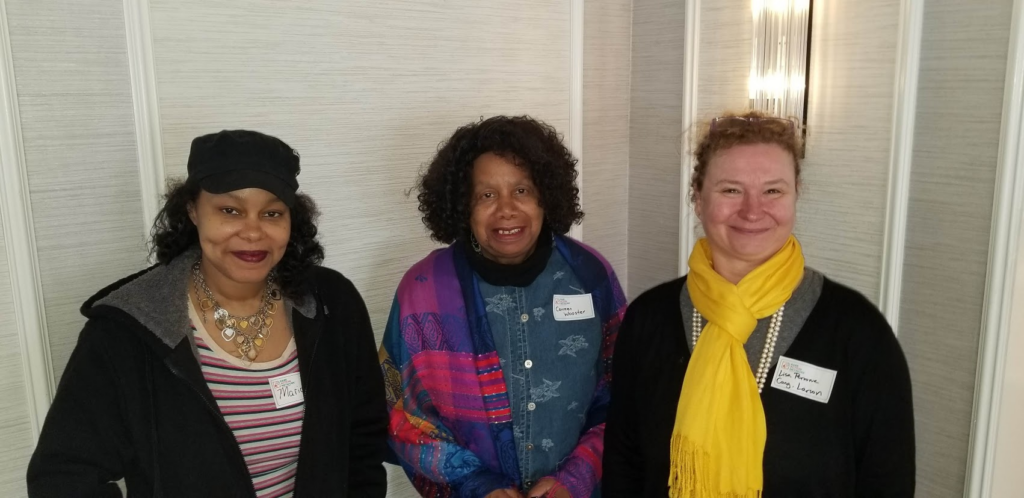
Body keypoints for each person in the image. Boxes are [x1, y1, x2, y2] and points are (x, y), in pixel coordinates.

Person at [27, 130, 388, 497]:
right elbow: (63, 476)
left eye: (272, 213)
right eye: (230, 210)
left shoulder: (333, 303)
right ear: (192, 210)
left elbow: (363, 443)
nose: (252, 232)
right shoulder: (128, 330)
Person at [602, 112, 915, 497]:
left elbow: (888, 481)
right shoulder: (649, 318)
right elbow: (623, 463)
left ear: (796, 193)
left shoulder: (858, 332)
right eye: (731, 190)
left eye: (773, 191)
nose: (752, 211)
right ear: (698, 199)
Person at [379, 116, 627, 498]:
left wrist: (576, 478)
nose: (506, 210)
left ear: (546, 195)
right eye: (487, 195)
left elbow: (624, 396)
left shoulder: (590, 274)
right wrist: (475, 484)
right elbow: (400, 412)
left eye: (522, 190)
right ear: (464, 205)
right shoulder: (423, 289)